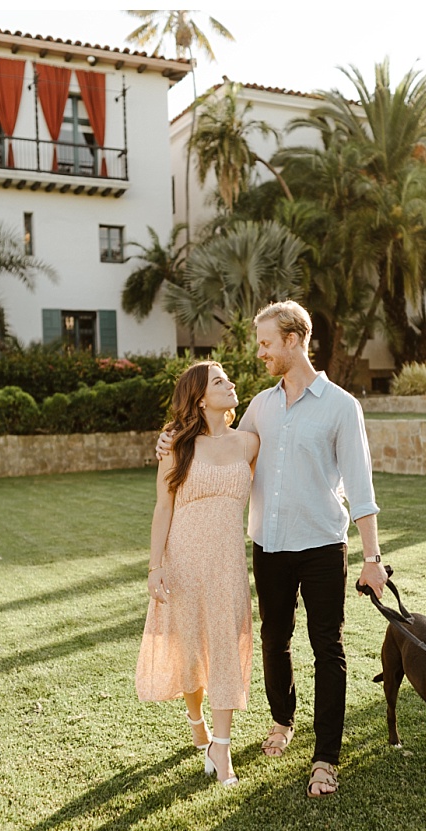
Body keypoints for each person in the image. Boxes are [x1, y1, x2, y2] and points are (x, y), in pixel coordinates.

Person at [157, 300, 387, 797]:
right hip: (271, 546)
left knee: (328, 648)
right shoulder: (259, 406)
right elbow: (218, 448)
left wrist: (371, 559)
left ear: (293, 340)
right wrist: (171, 438)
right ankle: (282, 720)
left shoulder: (342, 406)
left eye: (265, 343)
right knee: (274, 638)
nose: (259, 352)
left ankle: (325, 757)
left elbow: (362, 489)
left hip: (324, 544)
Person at [137, 361, 259, 787]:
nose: (229, 384)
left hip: (227, 562)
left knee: (226, 645)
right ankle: (196, 723)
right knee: (190, 647)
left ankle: (220, 750)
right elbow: (162, 508)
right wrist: (156, 567)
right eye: (218, 381)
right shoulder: (176, 446)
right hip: (184, 556)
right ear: (200, 398)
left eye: (228, 378)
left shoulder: (250, 443)